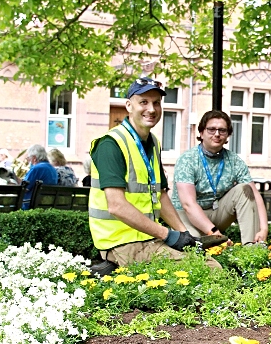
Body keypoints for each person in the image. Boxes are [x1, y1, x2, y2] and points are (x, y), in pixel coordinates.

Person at [88, 77, 221, 271]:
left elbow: (161, 194)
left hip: (146, 237)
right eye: (143, 102)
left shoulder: (152, 143)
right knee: (209, 269)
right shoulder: (111, 144)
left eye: (156, 103)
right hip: (122, 243)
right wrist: (168, 235)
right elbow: (116, 205)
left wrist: (184, 234)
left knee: (205, 264)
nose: (151, 109)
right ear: (128, 106)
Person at [171, 110, 268, 244]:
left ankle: (252, 249)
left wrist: (264, 228)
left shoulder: (234, 161)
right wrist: (215, 234)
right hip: (186, 215)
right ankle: (208, 239)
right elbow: (188, 205)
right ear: (201, 133)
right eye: (211, 129)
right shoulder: (187, 160)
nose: (217, 134)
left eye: (222, 130)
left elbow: (255, 196)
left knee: (244, 189)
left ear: (227, 135)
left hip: (216, 212)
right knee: (193, 247)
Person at [22, 144, 58, 209]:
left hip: (30, 205)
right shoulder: (52, 169)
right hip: (47, 205)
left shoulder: (36, 169)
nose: (29, 161)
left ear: (34, 158)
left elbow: (24, 188)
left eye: (29, 158)